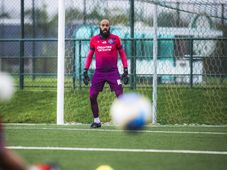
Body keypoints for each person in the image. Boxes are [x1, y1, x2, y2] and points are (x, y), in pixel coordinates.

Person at [83, 19, 129, 128]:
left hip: (113, 72)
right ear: (100, 26)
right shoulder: (94, 40)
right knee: (92, 96)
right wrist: (85, 70)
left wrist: (126, 70)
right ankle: (97, 121)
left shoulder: (116, 39)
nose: (105, 27)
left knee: (120, 96)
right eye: (103, 25)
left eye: (107, 25)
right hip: (99, 73)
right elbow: (89, 56)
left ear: (109, 27)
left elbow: (122, 54)